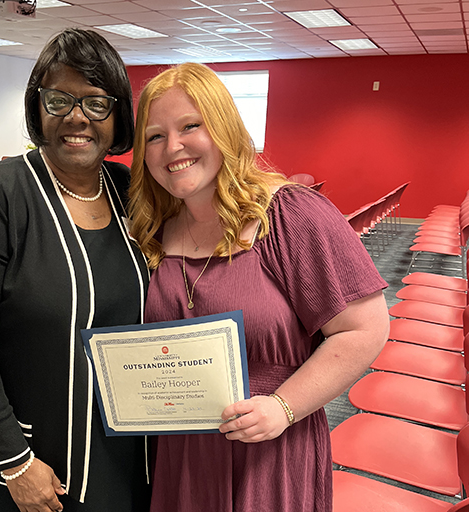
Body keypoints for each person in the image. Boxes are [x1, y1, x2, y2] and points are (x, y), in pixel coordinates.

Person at [127, 62, 391, 511]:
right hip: (183, 452)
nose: (173, 147)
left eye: (191, 126)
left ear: (225, 130)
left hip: (273, 444)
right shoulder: (151, 231)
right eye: (154, 135)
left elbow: (365, 329)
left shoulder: (290, 215)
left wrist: (282, 408)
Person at [0, 28, 150, 512]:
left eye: (95, 103)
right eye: (58, 99)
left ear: (117, 115)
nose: (76, 117)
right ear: (37, 107)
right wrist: (14, 461)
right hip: (31, 459)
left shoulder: (130, 190)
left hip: (122, 443)